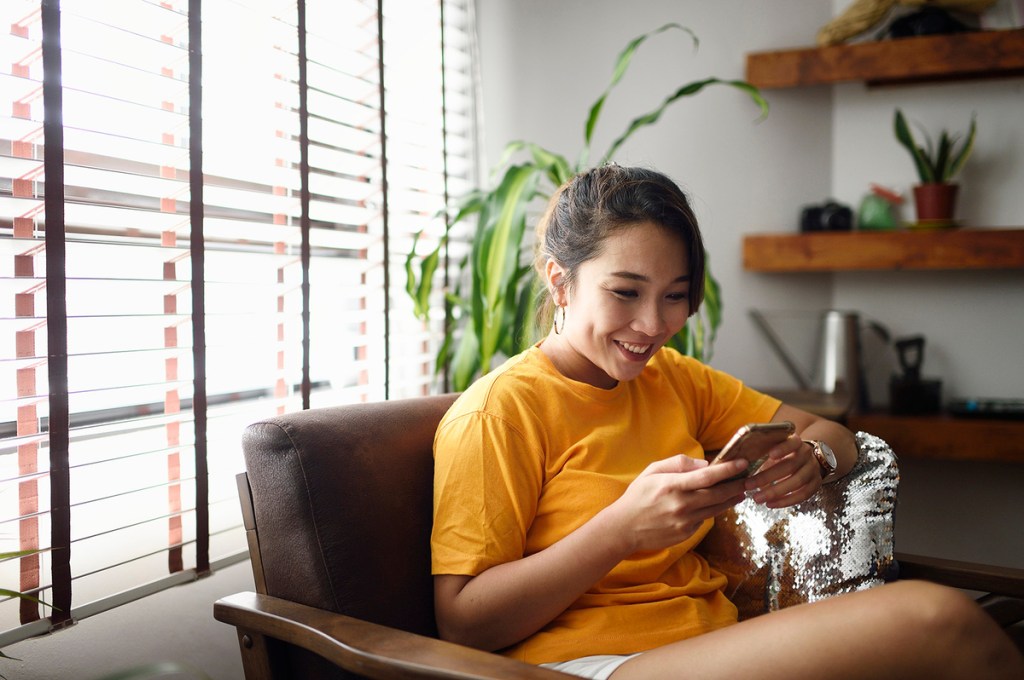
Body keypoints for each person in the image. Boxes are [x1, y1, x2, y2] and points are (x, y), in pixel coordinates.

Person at [430, 164, 1023, 679]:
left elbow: (829, 431)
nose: (652, 325)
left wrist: (814, 459)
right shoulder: (498, 413)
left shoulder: (674, 379)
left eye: (675, 296)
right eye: (626, 292)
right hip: (586, 666)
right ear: (561, 281)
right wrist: (621, 530)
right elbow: (464, 622)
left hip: (712, 643)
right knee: (936, 620)